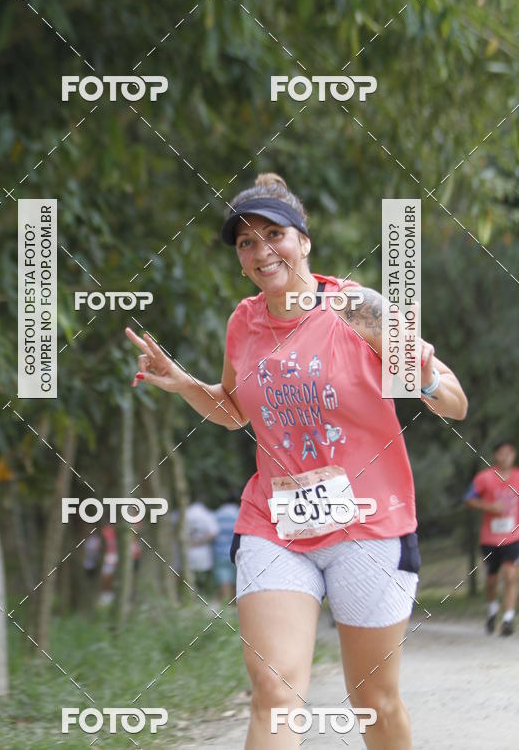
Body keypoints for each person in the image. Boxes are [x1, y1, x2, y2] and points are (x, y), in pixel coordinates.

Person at [126, 173, 468, 749]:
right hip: (275, 526)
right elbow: (235, 410)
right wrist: (183, 383)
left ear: (303, 241)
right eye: (246, 242)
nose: (262, 251)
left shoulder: (357, 309)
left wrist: (427, 375)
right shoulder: (244, 323)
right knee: (275, 693)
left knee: (374, 700)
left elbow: (455, 403)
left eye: (274, 235)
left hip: (369, 525)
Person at [464, 441, 519, 636]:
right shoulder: (484, 478)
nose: (505, 457)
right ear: (495, 456)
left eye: (509, 453)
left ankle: (508, 618)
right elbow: (468, 499)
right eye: (502, 453)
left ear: (514, 456)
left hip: (513, 537)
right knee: (492, 580)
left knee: (511, 576)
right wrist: (489, 507)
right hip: (490, 539)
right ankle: (492, 609)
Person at [185, 500, 219, 596]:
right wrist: (200, 542)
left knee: (189, 576)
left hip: (187, 552)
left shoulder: (185, 513)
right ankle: (202, 595)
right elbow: (213, 533)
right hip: (203, 552)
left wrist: (190, 542)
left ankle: (190, 595)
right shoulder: (207, 515)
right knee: (202, 577)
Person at [213, 495, 240, 601]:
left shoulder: (217, 514)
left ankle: (225, 602)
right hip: (236, 552)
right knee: (237, 579)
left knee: (224, 578)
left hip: (220, 552)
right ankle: (234, 603)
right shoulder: (238, 514)